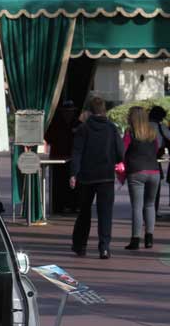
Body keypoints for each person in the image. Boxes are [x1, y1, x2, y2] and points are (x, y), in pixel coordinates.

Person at [70, 96, 124, 259]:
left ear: (90, 112)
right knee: (105, 213)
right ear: (104, 110)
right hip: (106, 176)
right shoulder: (112, 128)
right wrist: (116, 161)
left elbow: (77, 152)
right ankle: (104, 247)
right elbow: (120, 151)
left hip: (87, 176)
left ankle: (80, 246)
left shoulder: (83, 129)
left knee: (84, 212)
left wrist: (74, 173)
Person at [121, 106, 163, 250]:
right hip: (154, 171)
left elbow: (122, 150)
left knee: (137, 207)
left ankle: (135, 239)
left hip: (136, 171)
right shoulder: (152, 132)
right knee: (150, 205)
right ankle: (149, 238)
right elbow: (157, 148)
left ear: (132, 118)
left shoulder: (130, 132)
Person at [45, 100, 79, 214]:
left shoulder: (78, 124)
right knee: (59, 183)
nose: (68, 114)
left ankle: (74, 205)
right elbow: (48, 137)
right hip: (57, 159)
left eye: (70, 112)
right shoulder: (55, 125)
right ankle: (58, 205)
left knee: (74, 184)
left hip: (73, 159)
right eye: (66, 112)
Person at [149, 105, 170, 215]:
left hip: (140, 160)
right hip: (155, 160)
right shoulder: (161, 127)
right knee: (155, 188)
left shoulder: (142, 126)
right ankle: (153, 210)